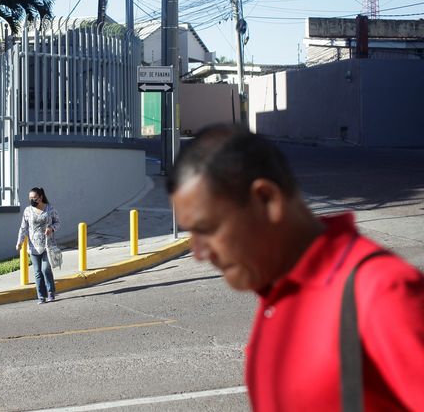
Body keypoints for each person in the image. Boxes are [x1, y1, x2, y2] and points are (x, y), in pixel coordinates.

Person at [167, 124, 424, 411]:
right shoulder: (274, 295)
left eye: (207, 228)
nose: (198, 253)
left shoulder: (382, 292)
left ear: (266, 199)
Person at [16, 187, 61, 304]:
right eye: (30, 198)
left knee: (45, 269)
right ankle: (41, 296)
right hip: (33, 246)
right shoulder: (27, 211)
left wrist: (51, 228)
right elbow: (23, 227)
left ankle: (51, 292)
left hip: (48, 245)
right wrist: (19, 242)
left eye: (34, 198)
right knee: (37, 272)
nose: (32, 200)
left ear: (40, 197)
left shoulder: (50, 209)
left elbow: (58, 222)